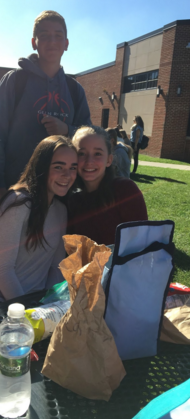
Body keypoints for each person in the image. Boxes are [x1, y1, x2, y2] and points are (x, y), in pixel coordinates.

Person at [0, 10, 91, 197]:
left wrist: (67, 130)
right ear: (34, 43)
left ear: (66, 44)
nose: (52, 41)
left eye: (58, 36)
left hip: (61, 195)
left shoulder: (75, 90)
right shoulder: (15, 81)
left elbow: (89, 138)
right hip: (14, 191)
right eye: (44, 35)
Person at [0, 136, 78, 301]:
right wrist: (26, 314)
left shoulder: (61, 210)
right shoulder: (18, 203)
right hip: (10, 308)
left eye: (73, 168)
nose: (67, 175)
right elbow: (3, 269)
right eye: (59, 167)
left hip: (39, 306)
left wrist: (48, 304)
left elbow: (56, 267)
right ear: (41, 166)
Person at [67, 126, 148, 245]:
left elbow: (141, 242)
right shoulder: (70, 197)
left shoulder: (125, 191)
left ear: (109, 160)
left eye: (98, 154)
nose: (89, 161)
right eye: (82, 153)